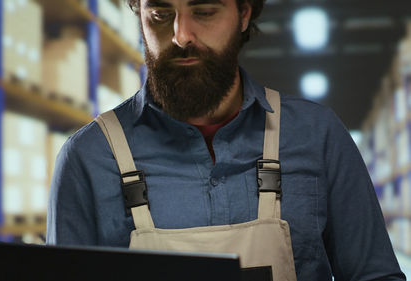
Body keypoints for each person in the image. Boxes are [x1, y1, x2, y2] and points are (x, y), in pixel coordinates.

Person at [47, 0, 406, 280]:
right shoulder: (89, 158)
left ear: (244, 13)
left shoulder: (316, 136)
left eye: (203, 11)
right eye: (159, 14)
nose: (181, 34)